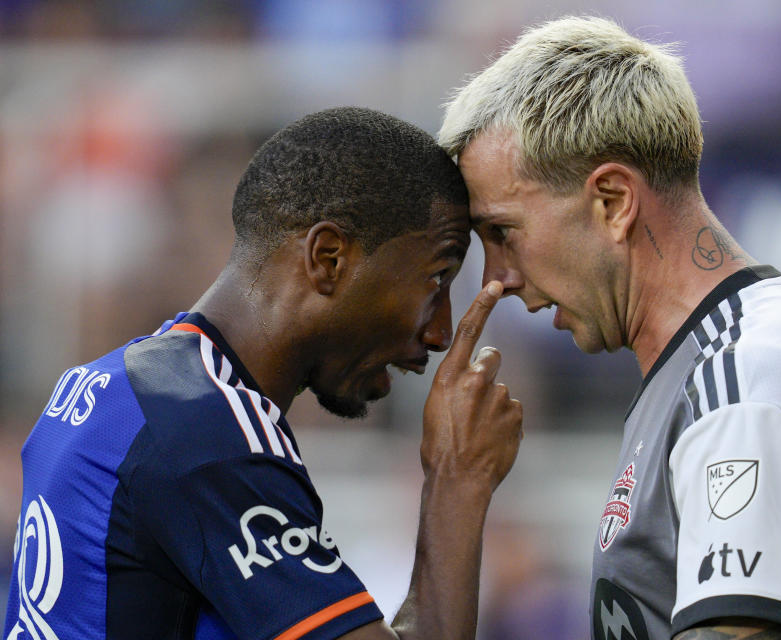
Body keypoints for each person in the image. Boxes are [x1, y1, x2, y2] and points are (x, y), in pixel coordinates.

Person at [438, 16, 781, 640]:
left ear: (613, 201)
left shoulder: (751, 369)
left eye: (502, 233)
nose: (497, 276)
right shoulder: (710, 365)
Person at [5, 107, 523, 640]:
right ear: (328, 257)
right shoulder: (207, 435)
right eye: (437, 280)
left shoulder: (111, 383)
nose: (439, 332)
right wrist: (457, 479)